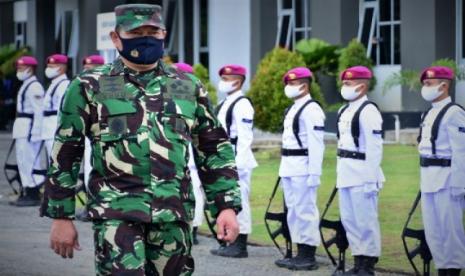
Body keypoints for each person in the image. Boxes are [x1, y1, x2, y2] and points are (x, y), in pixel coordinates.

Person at [40, 4, 241, 275]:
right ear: (116, 37)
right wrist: (61, 216)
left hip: (173, 217)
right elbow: (66, 152)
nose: (146, 38)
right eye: (136, 32)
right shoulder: (89, 86)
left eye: (153, 31)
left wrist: (226, 206)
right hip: (116, 217)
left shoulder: (187, 86)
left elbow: (213, 147)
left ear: (163, 34)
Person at [274, 67, 325, 270]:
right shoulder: (294, 108)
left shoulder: (312, 110)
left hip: (303, 167)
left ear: (304, 85)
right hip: (289, 166)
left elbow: (316, 144)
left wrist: (314, 173)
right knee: (293, 211)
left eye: (293, 84)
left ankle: (308, 254)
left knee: (305, 210)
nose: (289, 87)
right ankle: (298, 252)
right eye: (288, 83)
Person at [336, 66, 385, 275]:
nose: (344, 87)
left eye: (348, 83)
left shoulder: (369, 111)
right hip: (346, 172)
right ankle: (357, 262)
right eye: (344, 83)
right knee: (350, 220)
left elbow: (374, 149)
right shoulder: (344, 110)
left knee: (365, 221)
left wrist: (370, 178)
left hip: (362, 173)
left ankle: (368, 265)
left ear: (362, 86)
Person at [417, 66, 465, 276]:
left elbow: (461, 152)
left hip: (447, 180)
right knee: (434, 231)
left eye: (429, 84)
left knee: (450, 230)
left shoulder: (455, 113)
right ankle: (442, 269)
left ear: (443, 85)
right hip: (428, 179)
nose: (425, 88)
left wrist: (459, 185)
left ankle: (453, 270)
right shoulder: (428, 113)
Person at [210, 64, 257, 258]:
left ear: (238, 81)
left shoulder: (242, 104)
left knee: (241, 202)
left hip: (238, 160)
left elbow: (245, 138)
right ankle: (231, 242)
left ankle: (241, 245)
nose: (224, 83)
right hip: (225, 159)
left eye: (228, 79)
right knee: (229, 201)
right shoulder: (225, 103)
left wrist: (237, 165)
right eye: (223, 78)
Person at [173, 62, 205, 244]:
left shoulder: (188, 96)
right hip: (174, 156)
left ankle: (193, 229)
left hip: (189, 156)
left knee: (194, 192)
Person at [11, 56, 45, 207]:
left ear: (30, 69)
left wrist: (36, 132)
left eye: (21, 68)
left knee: (30, 161)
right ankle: (27, 190)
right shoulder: (27, 84)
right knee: (23, 161)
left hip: (29, 130)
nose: (18, 71)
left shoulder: (34, 86)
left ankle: (33, 192)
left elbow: (39, 111)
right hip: (22, 128)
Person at [75, 54, 106, 222]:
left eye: (90, 69)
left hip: (104, 136)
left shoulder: (110, 84)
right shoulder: (83, 87)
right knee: (89, 170)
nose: (86, 72)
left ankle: (96, 206)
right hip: (90, 135)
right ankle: (90, 205)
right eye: (85, 69)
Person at [41, 54, 70, 158]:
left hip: (55, 129)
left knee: (57, 161)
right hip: (49, 128)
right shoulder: (54, 83)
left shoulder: (64, 84)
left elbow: (63, 109)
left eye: (51, 67)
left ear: (61, 68)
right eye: (48, 66)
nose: (48, 69)